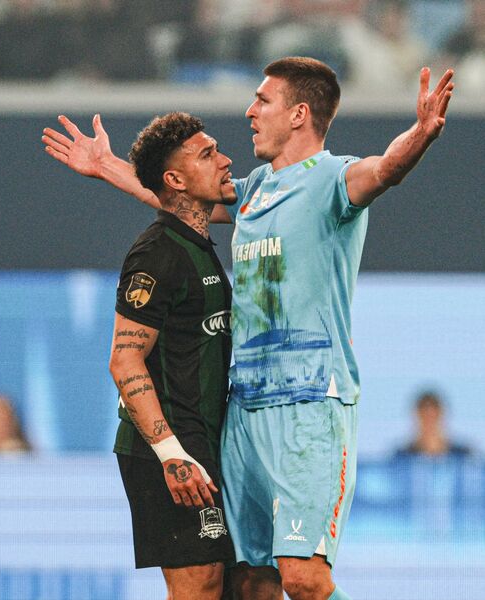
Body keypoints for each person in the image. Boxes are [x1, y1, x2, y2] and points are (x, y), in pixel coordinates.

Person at [42, 58, 453, 600]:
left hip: (310, 404)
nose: (249, 111)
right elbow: (178, 197)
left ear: (299, 114)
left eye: (263, 100)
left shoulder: (333, 178)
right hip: (243, 411)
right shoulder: (254, 189)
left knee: (304, 579)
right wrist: (108, 166)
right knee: (250, 582)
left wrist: (420, 134)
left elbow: (385, 170)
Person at [87, 112, 237, 599]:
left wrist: (111, 169)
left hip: (204, 436)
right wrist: (171, 454)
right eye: (207, 154)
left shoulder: (197, 239)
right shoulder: (156, 254)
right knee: (199, 583)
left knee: (229, 584)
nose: (225, 160)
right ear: (176, 180)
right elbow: (124, 361)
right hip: (168, 447)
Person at [395, 390, 472, 458]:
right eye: (424, 416)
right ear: (416, 416)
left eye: (432, 416)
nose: (429, 422)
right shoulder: (402, 456)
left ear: (441, 415)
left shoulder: (462, 455)